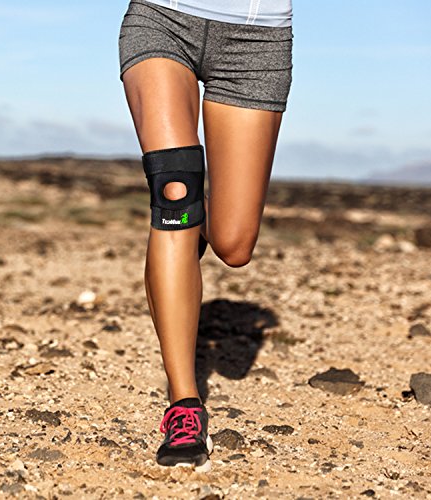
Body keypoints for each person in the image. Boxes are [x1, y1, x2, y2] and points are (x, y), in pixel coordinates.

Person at [118, 0, 293, 472]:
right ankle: (184, 406)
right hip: (162, 17)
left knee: (234, 244)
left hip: (257, 37)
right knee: (175, 192)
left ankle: (186, 225)